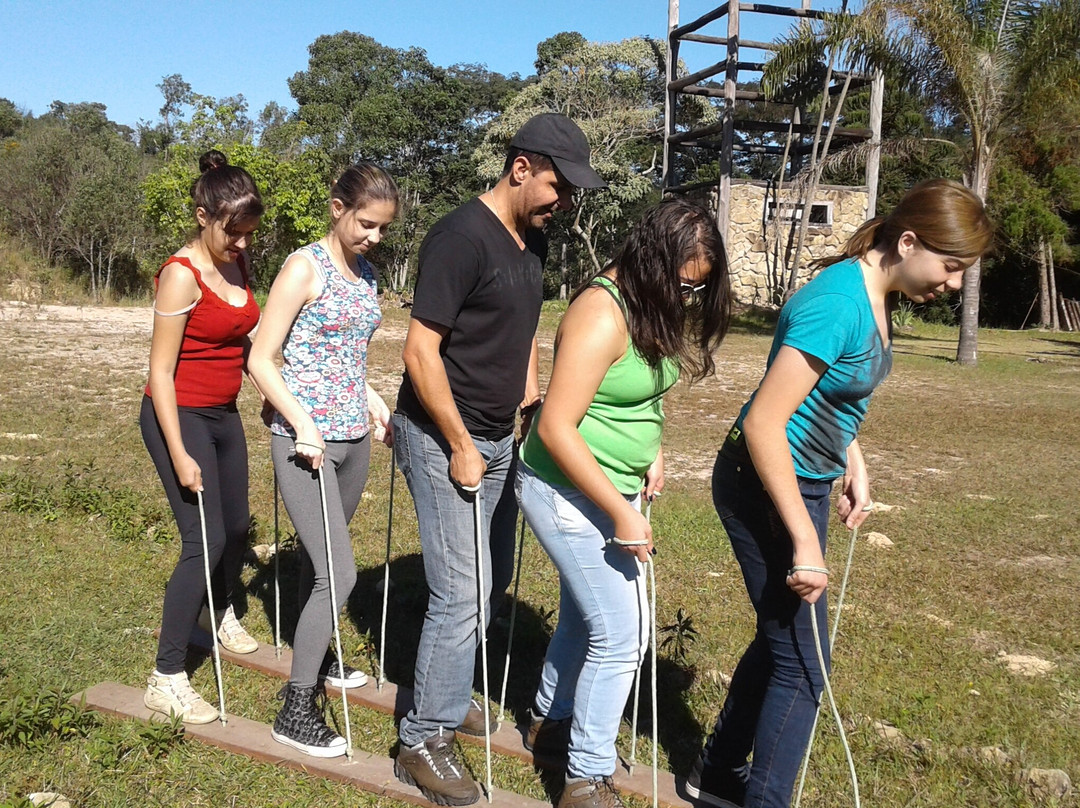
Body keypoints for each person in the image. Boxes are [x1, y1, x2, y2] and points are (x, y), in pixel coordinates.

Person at [685, 178, 994, 808]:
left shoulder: (876, 297)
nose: (955, 285)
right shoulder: (837, 303)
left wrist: (853, 459)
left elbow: (833, 394)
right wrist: (803, 536)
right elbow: (765, 422)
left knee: (787, 639)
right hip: (764, 483)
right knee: (805, 664)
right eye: (952, 268)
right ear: (908, 242)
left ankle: (714, 773)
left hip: (808, 479)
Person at [391, 113, 607, 806]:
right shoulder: (460, 237)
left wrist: (532, 410)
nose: (563, 201)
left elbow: (523, 337)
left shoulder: (533, 243)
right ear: (521, 167)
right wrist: (458, 443)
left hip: (500, 438)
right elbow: (420, 352)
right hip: (440, 436)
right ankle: (422, 738)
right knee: (463, 592)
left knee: (493, 577)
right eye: (556, 185)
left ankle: (445, 693)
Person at [517, 198, 733, 808]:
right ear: (652, 259)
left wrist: (653, 447)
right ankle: (584, 777)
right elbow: (556, 427)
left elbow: (644, 392)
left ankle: (549, 721)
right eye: (683, 284)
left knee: (589, 620)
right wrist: (621, 509)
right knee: (622, 636)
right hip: (564, 489)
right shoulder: (599, 314)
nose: (688, 298)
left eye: (697, 290)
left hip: (614, 489)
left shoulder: (650, 305)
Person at [248, 162, 398, 758]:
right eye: (366, 224)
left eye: (384, 228)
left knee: (322, 567)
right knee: (340, 572)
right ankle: (296, 706)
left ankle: (318, 650)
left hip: (353, 440)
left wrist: (372, 399)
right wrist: (301, 422)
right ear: (337, 208)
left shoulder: (365, 274)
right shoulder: (301, 266)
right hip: (303, 443)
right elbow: (262, 358)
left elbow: (343, 357)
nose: (375, 237)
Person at [141, 149, 264, 724]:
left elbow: (240, 339)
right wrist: (179, 451)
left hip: (223, 413)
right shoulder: (179, 275)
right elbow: (159, 375)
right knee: (204, 539)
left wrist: (267, 386)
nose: (242, 245)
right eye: (232, 233)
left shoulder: (237, 264)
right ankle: (165, 676)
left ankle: (213, 614)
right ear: (202, 216)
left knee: (237, 526)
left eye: (247, 235)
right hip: (179, 414)